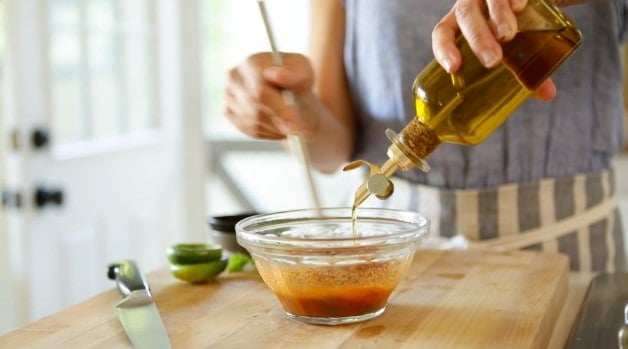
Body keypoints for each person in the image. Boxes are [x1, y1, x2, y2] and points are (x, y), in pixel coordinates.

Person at [223, 0, 627, 272]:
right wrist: (293, 111)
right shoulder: (443, 115)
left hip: (568, 253)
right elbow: (334, 150)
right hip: (399, 263)